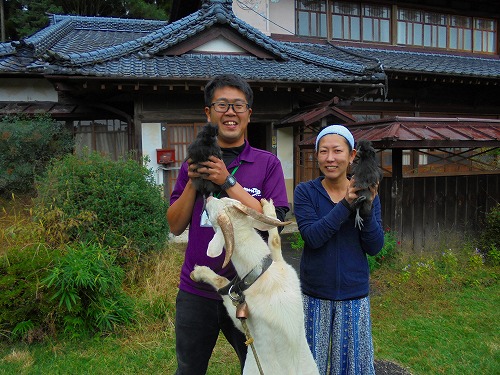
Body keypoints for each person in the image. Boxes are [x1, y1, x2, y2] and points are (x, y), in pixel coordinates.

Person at [167, 73, 289, 375]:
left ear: (249, 114)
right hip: (197, 289)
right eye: (222, 105)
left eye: (238, 105)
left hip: (252, 291)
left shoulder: (267, 163)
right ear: (208, 113)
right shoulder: (191, 164)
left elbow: (273, 224)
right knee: (189, 370)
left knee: (259, 368)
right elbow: (174, 225)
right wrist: (195, 182)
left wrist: (227, 180)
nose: (230, 112)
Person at [293, 125, 384, 375]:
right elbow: (312, 237)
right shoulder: (306, 192)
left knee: (352, 368)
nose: (330, 158)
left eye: (337, 151)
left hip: (354, 296)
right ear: (317, 155)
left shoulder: (368, 192)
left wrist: (366, 209)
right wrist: (346, 204)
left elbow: (375, 246)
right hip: (314, 295)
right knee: (310, 366)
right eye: (323, 151)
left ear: (352, 155)